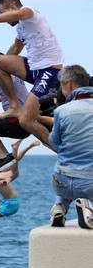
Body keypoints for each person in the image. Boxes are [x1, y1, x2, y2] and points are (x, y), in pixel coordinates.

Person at [0, 0, 63, 147]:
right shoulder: (21, 27)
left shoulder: (29, 12)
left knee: (26, 121)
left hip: (50, 70)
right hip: (34, 69)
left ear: (12, 7)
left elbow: (18, 14)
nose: (4, 19)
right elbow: (17, 47)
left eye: (3, 14)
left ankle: (61, 152)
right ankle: (14, 106)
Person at [49, 65, 93, 228]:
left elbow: (54, 142)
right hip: (90, 184)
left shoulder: (61, 111)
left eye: (61, 85)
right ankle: (88, 207)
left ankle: (59, 207)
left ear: (69, 85)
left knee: (66, 174)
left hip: (61, 182)